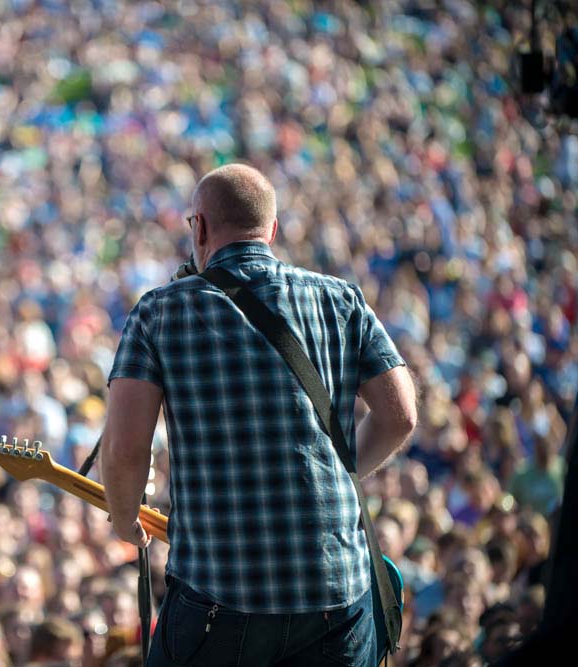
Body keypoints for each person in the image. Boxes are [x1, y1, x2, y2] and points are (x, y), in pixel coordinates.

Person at [101, 164, 417, 666]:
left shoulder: (160, 311)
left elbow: (124, 449)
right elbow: (400, 416)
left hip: (221, 598)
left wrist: (124, 521)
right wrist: (342, 471)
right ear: (271, 230)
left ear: (199, 228)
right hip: (337, 599)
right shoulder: (339, 298)